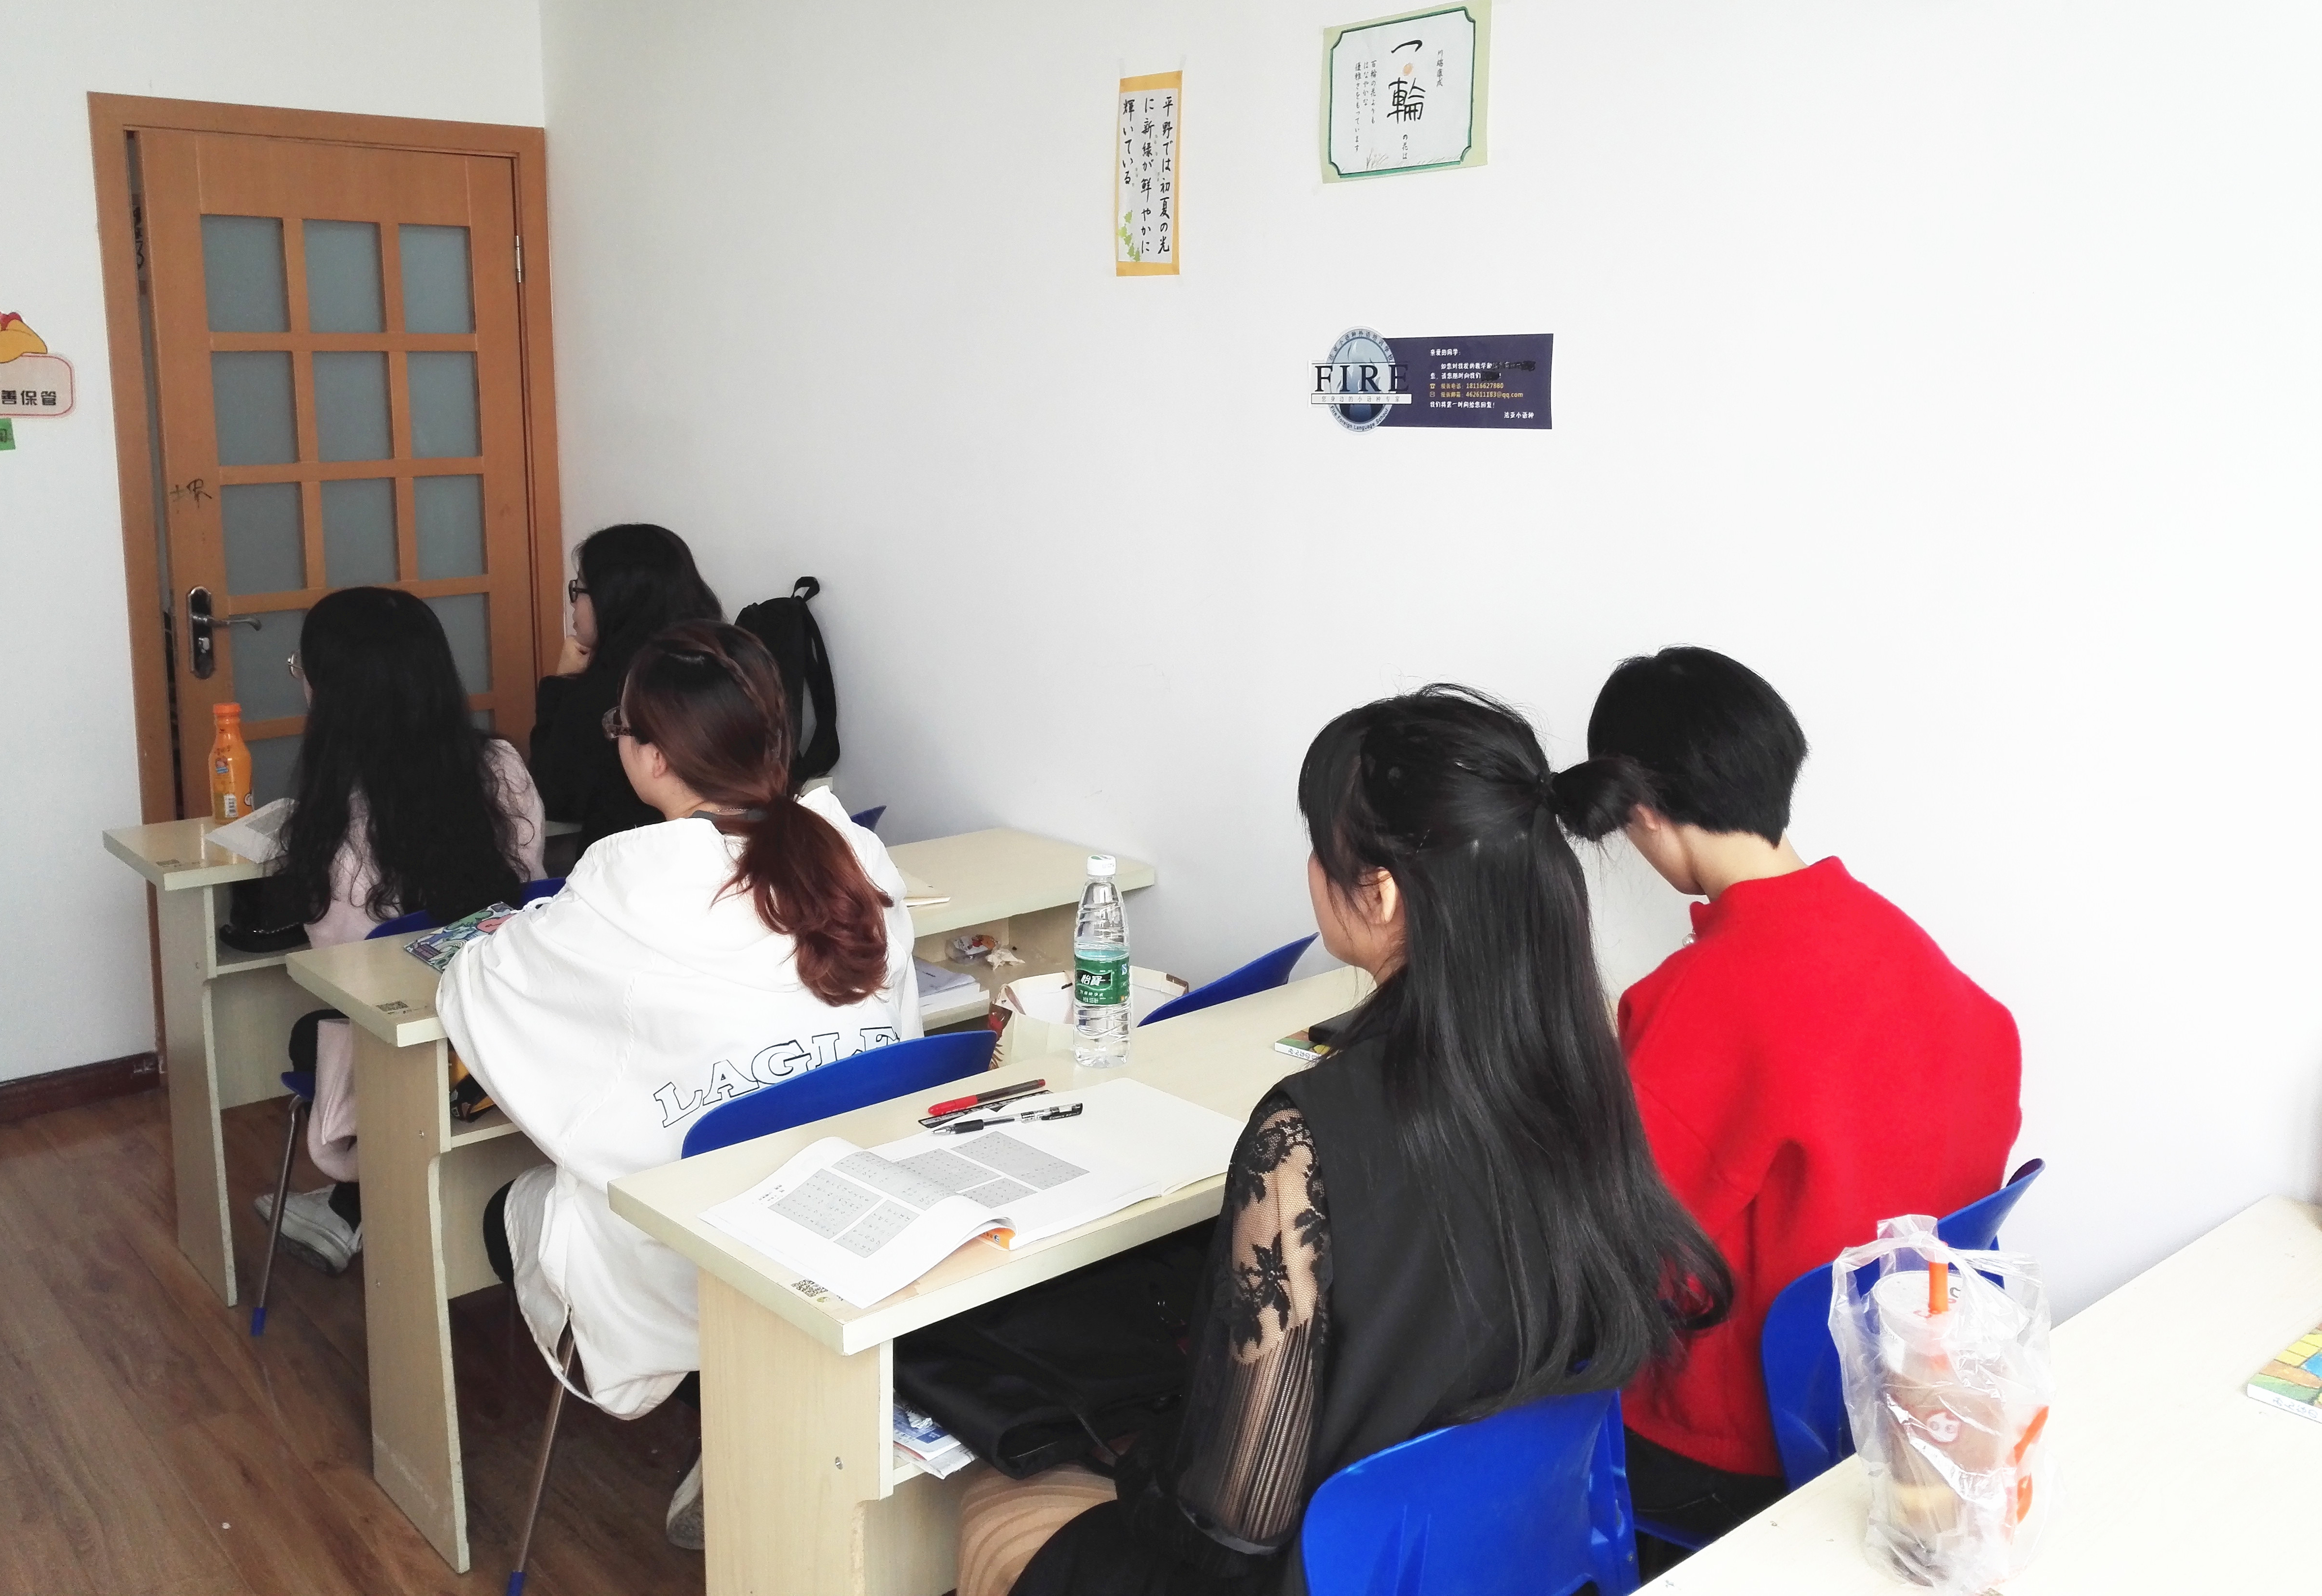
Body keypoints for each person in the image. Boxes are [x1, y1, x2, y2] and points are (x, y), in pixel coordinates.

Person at [954, 685, 1731, 1596]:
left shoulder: (1302, 1140)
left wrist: (1139, 1456)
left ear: (1382, 892)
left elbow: (1239, 1516)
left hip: (1327, 1576)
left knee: (992, 1509)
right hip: (1500, 1554)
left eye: (1320, 848)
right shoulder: (1581, 1066)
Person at [441, 620, 922, 1551]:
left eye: (618, 727)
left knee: (503, 1207)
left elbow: (486, 993)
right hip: (842, 1211)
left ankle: (734, 1413)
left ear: (654, 755)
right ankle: (750, 1410)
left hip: (696, 1238)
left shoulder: (626, 879)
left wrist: (491, 947)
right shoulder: (849, 850)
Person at [1554, 647, 2022, 1571]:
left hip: (1737, 1447)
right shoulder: (1913, 952)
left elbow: (1616, 1254)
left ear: (1639, 811)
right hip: (1908, 1413)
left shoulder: (1692, 1001)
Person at [255, 586, 545, 1274]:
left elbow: (344, 972)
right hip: (510, 1029)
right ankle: (352, 1210)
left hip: (414, 1050)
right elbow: (529, 889)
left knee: (311, 1026)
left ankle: (356, 1205)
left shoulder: (333, 814)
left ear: (330, 691)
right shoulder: (500, 766)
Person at [530, 523, 722, 850]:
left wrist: (562, 684)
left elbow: (556, 795)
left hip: (630, 859)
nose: (573, 604)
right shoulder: (723, 662)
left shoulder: (617, 685)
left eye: (580, 589)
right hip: (733, 854)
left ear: (613, 598)